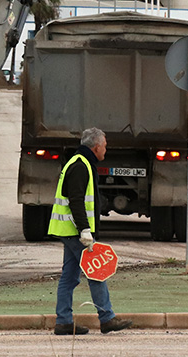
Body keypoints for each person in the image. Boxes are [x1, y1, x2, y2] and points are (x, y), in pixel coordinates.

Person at [48, 127, 133, 336]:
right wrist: (84, 230)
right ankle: (107, 318)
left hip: (69, 230)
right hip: (75, 231)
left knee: (69, 277)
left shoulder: (80, 162)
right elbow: (76, 200)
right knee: (96, 271)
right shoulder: (80, 166)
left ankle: (64, 322)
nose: (106, 149)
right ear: (96, 147)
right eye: (105, 145)